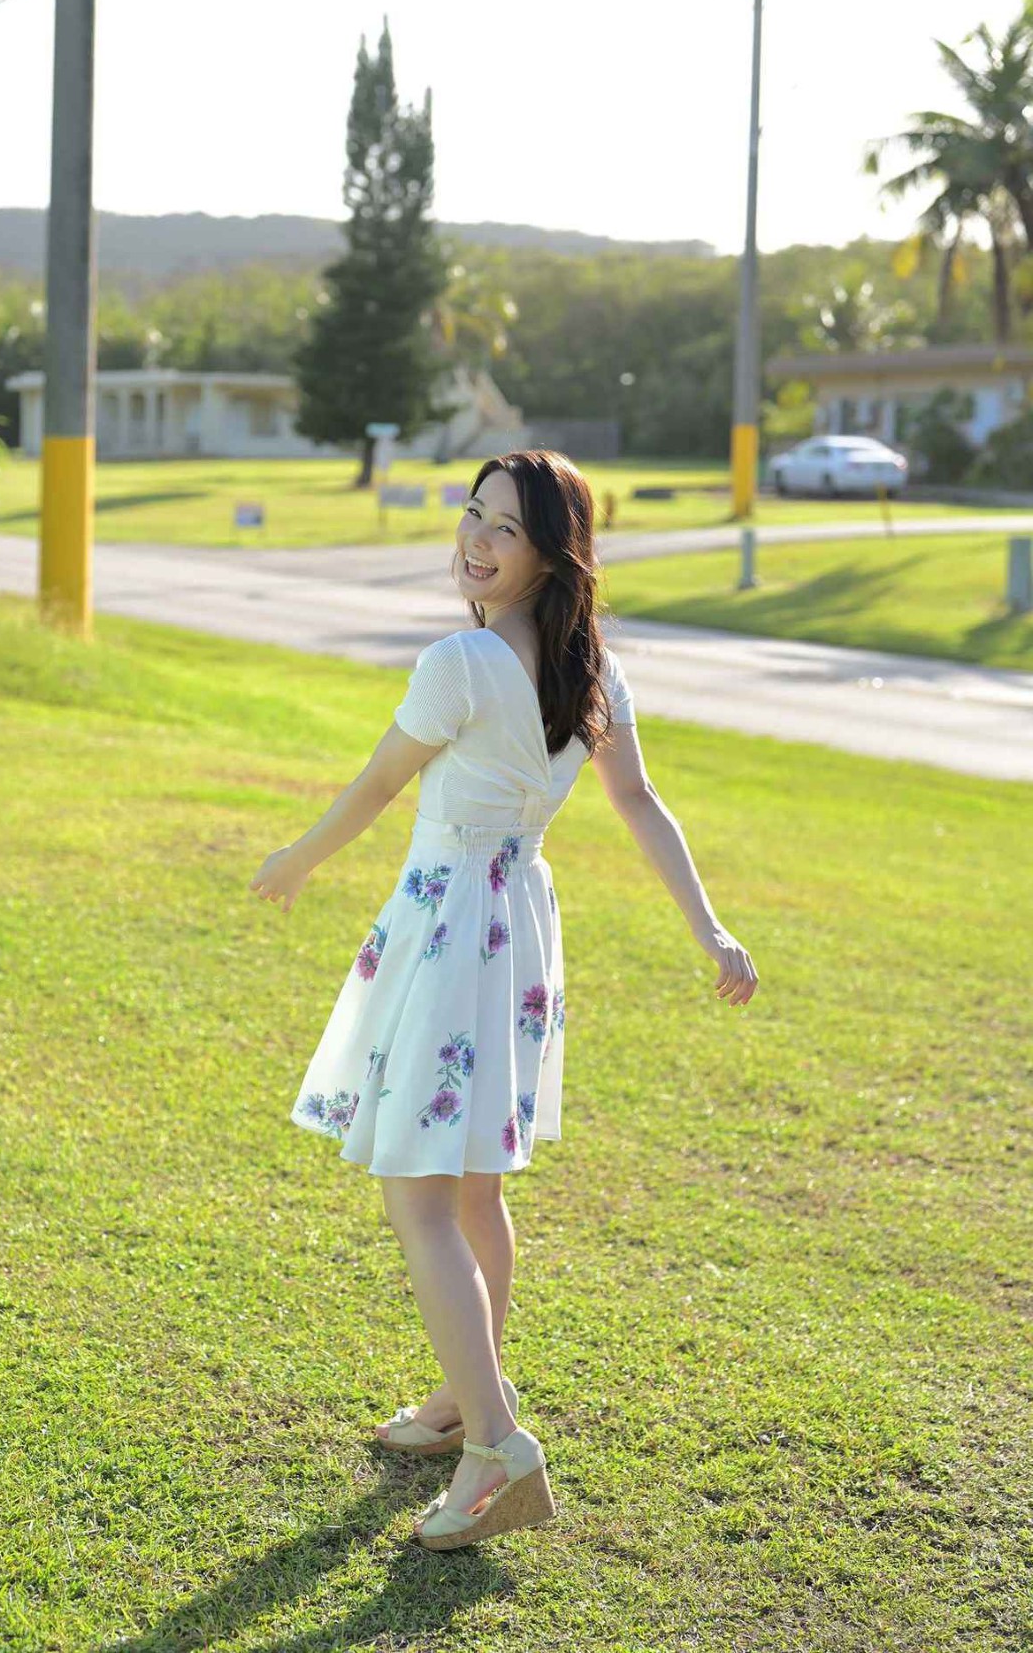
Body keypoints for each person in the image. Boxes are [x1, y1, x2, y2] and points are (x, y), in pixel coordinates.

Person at [248, 449, 758, 1550]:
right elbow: (640, 803)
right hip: (517, 927)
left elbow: (380, 783)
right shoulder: (593, 672)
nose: (475, 540)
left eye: (505, 530)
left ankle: (495, 1444)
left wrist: (295, 858)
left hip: (449, 928)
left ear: (551, 557)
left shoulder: (464, 662)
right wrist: (709, 928)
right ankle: (461, 1398)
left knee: (419, 1196)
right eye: (472, 514)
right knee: (475, 1189)